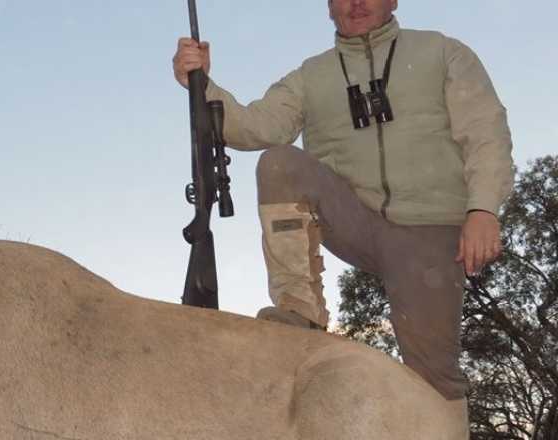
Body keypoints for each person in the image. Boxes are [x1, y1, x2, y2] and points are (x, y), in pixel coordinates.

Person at [171, 0, 513, 420]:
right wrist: (201, 83)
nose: (356, 4)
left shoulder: (442, 52)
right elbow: (251, 127)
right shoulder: (310, 76)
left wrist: (482, 209)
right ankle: (301, 312)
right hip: (354, 221)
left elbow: (486, 133)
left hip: (431, 232)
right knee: (279, 162)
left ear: (393, 1)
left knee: (432, 378)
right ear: (328, 7)